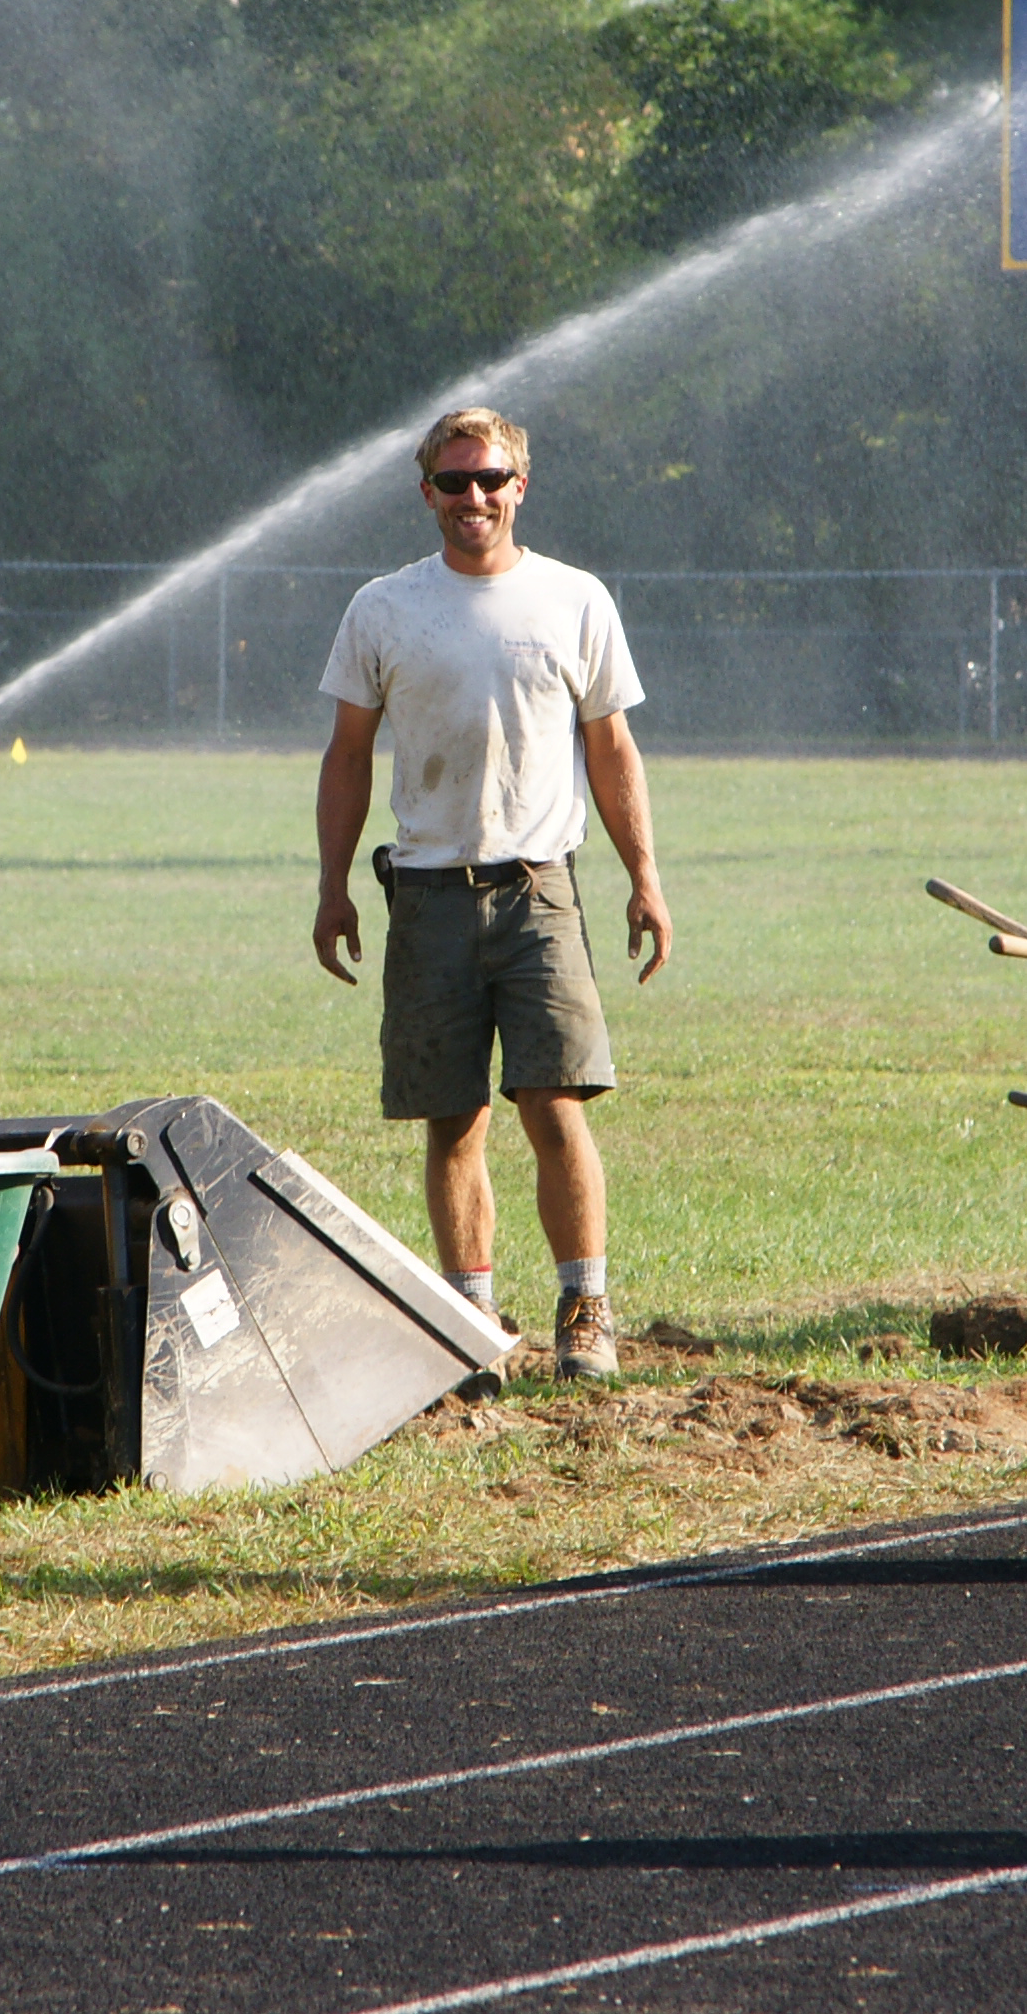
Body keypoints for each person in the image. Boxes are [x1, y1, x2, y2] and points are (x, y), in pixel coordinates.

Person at [314, 406, 673, 1385]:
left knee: (555, 1101)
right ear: (425, 492)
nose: (473, 497)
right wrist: (332, 886)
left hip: (539, 890)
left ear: (522, 486)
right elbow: (347, 754)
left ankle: (584, 1308)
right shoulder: (383, 608)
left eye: (492, 479)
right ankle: (471, 1322)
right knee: (453, 1117)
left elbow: (611, 747)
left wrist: (644, 878)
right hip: (426, 894)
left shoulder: (575, 600)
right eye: (453, 481)